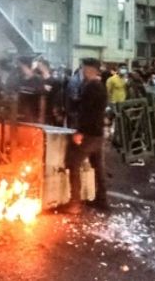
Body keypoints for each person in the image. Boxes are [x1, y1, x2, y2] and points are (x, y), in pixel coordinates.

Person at [61, 58, 110, 214]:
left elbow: (86, 112)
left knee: (73, 163)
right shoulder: (101, 86)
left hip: (88, 133)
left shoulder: (91, 87)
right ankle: (102, 200)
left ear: (90, 70)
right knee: (99, 167)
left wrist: (79, 131)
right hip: (98, 133)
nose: (82, 72)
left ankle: (74, 203)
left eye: (84, 69)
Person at [14, 56, 44, 123]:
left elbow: (42, 99)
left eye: (21, 66)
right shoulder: (19, 79)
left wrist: (41, 117)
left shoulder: (38, 80)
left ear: (26, 66)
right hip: (20, 115)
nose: (19, 68)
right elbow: (16, 96)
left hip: (33, 115)